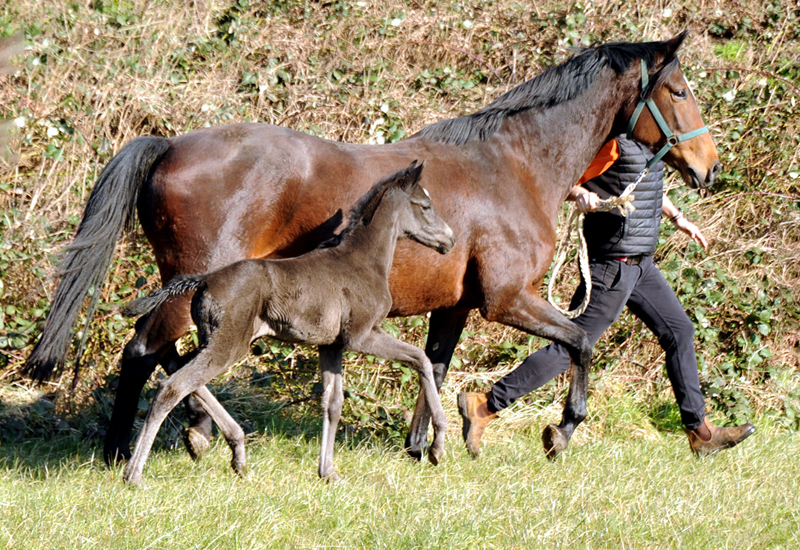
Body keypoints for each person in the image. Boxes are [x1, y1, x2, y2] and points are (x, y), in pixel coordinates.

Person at [458, 135, 756, 457]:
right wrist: (580, 194)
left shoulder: (649, 139)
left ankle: (701, 434)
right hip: (611, 267)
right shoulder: (611, 142)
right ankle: (485, 405)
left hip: (641, 265)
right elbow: (562, 179)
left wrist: (677, 218)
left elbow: (644, 184)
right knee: (569, 348)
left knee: (679, 330)